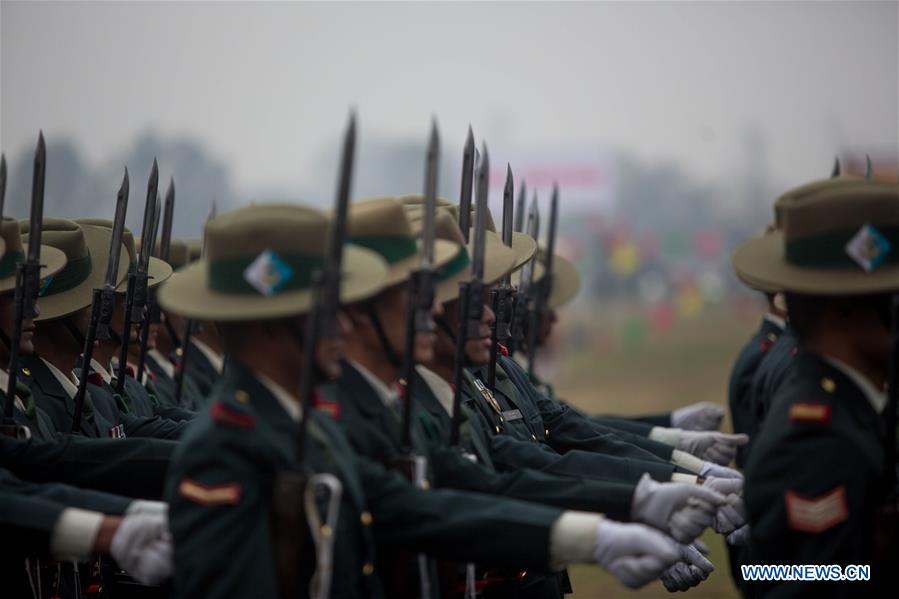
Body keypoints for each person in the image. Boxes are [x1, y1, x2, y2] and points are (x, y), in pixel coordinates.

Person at [160, 203, 684, 599]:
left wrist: (597, 529)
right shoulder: (225, 447)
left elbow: (427, 503)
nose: (342, 323)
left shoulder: (305, 425)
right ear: (271, 326)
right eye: (325, 310)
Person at [332, 199, 725, 595]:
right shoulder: (365, 414)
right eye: (417, 296)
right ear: (362, 309)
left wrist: (641, 498)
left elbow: (507, 470)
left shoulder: (437, 393)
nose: (432, 308)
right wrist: (620, 519)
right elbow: (431, 510)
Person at [736, 177, 899, 596]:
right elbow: (773, 578)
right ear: (840, 312)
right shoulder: (814, 437)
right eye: (887, 297)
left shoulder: (853, 405)